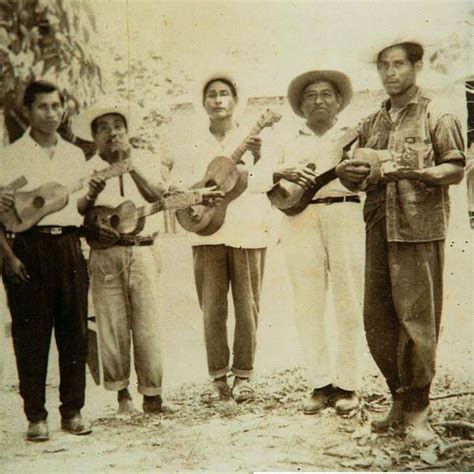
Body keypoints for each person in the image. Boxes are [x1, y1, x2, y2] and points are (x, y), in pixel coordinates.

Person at [336, 39, 465, 443]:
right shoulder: (371, 122)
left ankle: (419, 410)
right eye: (384, 66)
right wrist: (350, 171)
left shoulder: (437, 114)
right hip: (378, 225)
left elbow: (455, 169)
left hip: (418, 227)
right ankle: (397, 399)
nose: (391, 73)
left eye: (398, 65)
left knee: (417, 321)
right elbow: (350, 167)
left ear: (416, 67)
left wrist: (420, 173)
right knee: (378, 318)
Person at [73, 101, 221, 415]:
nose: (112, 133)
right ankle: (122, 395)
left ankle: (152, 395)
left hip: (143, 249)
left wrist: (131, 166)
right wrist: (93, 197)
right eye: (103, 127)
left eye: (118, 126)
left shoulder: (146, 159)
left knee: (147, 323)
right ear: (94, 136)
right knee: (111, 323)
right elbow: (80, 213)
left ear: (127, 131)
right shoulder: (86, 168)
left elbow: (158, 197)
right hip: (104, 255)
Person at [250, 70, 365, 415]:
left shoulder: (353, 136)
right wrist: (281, 172)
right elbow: (254, 179)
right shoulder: (284, 139)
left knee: (349, 300)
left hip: (346, 215)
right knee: (308, 303)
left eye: (327, 94)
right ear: (300, 105)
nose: (319, 100)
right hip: (300, 218)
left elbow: (371, 173)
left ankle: (348, 385)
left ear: (339, 102)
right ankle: (320, 384)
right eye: (311, 95)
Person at [170, 72, 273, 403]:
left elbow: (269, 181)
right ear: (203, 103)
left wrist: (254, 160)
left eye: (224, 94)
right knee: (212, 308)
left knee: (247, 307)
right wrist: (200, 195)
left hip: (247, 230)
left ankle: (243, 376)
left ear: (235, 100)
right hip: (206, 232)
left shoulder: (253, 138)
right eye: (211, 94)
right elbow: (177, 187)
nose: (218, 100)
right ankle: (217, 378)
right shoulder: (192, 143)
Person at [0, 80, 92, 441]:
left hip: (68, 246)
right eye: (43, 107)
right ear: (27, 111)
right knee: (30, 333)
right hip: (27, 248)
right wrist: (6, 256)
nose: (51, 113)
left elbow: (80, 208)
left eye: (57, 106)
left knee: (75, 333)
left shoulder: (74, 156)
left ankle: (73, 410)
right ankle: (35, 415)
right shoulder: (10, 156)